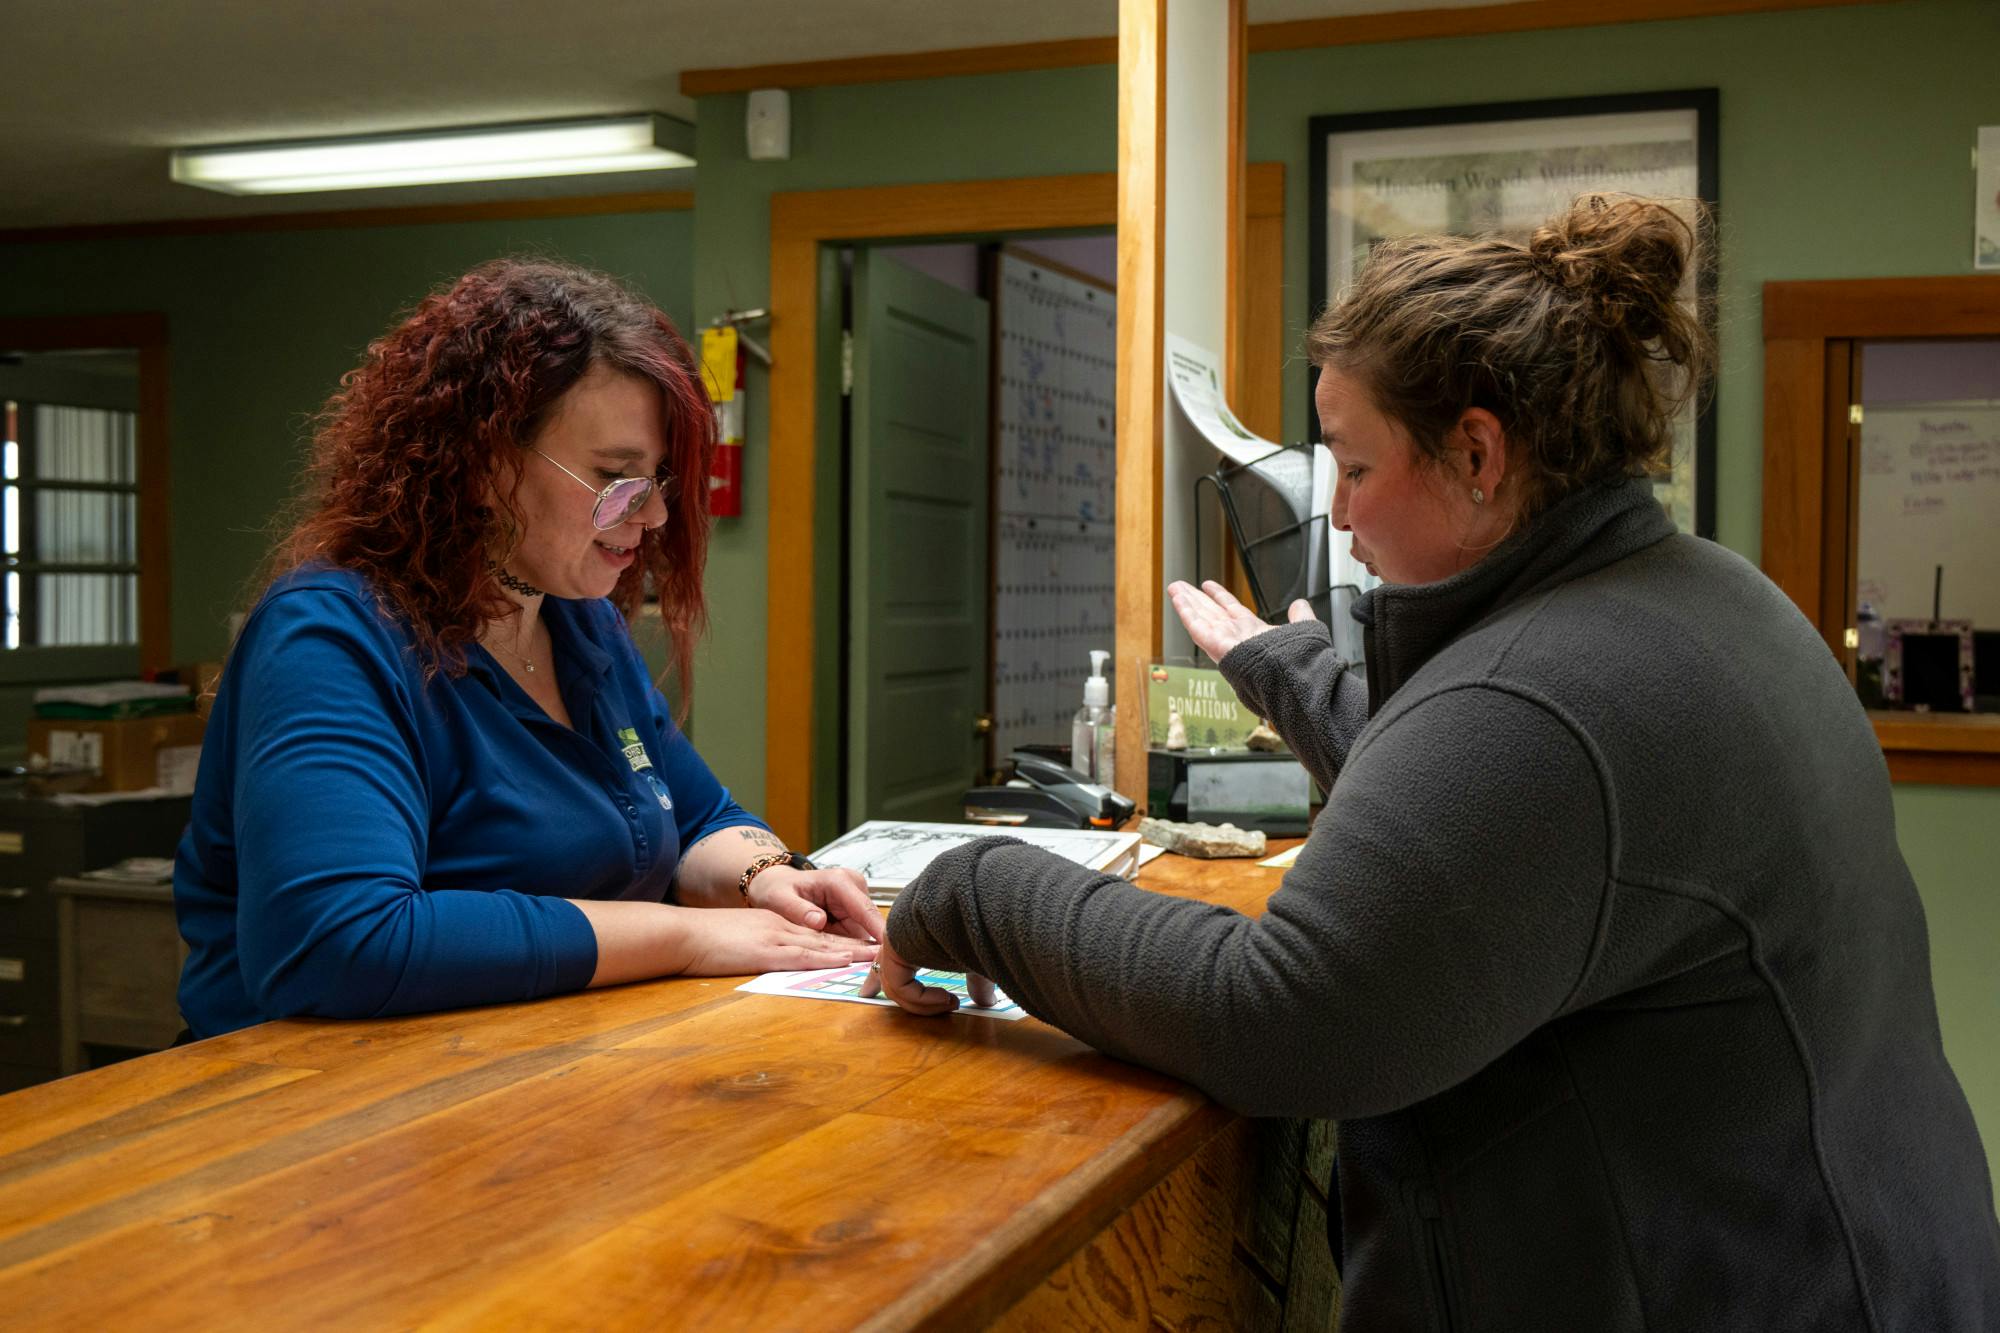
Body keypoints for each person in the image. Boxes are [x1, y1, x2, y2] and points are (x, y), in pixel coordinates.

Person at [864, 196, 2000, 1328]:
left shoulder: (1547, 699)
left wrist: (976, 887)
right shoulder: (1690, 595)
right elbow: (1497, 838)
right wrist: (1288, 669)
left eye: (1354, 470)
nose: (1342, 517)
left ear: (1474, 452)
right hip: (1861, 1259)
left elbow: (1284, 1017)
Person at [175, 259, 877, 1040]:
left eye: (659, 484)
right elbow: (340, 941)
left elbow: (701, 814)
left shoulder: (579, 621)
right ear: (484, 462)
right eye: (616, 480)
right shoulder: (332, 638)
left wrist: (768, 878)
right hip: (316, 1111)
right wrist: (685, 936)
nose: (648, 521)